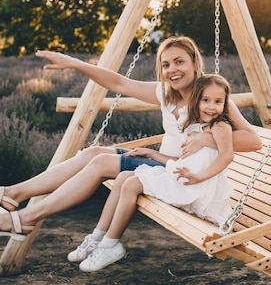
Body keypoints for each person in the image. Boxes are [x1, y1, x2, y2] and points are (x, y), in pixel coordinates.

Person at [0, 36, 262, 243]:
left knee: (102, 163)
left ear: (195, 62)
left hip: (173, 173)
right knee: (92, 152)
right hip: (160, 162)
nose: (172, 70)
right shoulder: (165, 92)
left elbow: (253, 140)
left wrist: (205, 140)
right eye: (166, 64)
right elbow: (119, 82)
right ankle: (14, 194)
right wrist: (76, 64)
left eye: (179, 62)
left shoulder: (209, 95)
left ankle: (29, 217)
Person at [77, 74, 235, 272]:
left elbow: (227, 156)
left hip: (195, 187)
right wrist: (151, 153)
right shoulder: (200, 128)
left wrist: (199, 177)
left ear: (225, 104)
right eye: (206, 100)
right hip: (186, 180)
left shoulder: (220, 126)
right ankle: (99, 237)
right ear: (196, 101)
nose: (211, 107)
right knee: (126, 176)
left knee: (132, 183)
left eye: (218, 101)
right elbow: (182, 162)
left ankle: (110, 244)